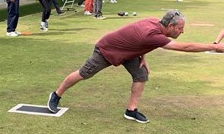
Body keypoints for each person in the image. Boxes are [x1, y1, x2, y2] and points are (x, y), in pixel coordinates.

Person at [47, 9, 224, 123]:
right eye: (180, 28)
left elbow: (141, 41)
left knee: (141, 75)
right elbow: (185, 47)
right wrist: (215, 47)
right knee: (83, 74)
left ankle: (131, 110)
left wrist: (143, 56)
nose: (182, 31)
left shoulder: (156, 24)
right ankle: (56, 95)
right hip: (107, 50)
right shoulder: (154, 34)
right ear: (170, 26)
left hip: (130, 52)